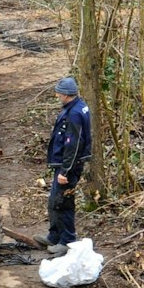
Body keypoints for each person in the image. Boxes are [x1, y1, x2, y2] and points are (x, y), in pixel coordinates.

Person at [46, 76, 92, 251]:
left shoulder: (74, 114)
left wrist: (65, 171)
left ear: (66, 95)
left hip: (68, 166)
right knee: (54, 200)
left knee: (63, 201)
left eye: (59, 93)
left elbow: (73, 145)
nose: (57, 96)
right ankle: (54, 235)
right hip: (62, 163)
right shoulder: (76, 107)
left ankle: (67, 240)